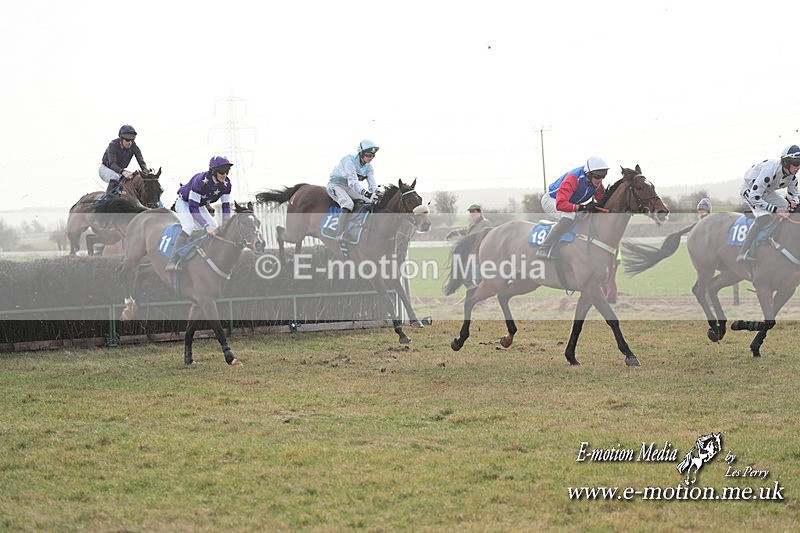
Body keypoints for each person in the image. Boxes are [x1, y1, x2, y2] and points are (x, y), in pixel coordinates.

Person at [166, 156, 233, 272]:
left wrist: (227, 224)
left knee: (216, 227)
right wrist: (206, 226)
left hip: (200, 205)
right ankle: (173, 260)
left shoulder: (226, 184)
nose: (225, 175)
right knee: (188, 227)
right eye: (222, 171)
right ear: (213, 171)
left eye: (227, 171)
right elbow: (192, 207)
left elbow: (226, 206)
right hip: (185, 203)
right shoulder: (200, 180)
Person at [736, 145, 800, 263]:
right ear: (786, 162)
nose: (798, 167)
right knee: (765, 216)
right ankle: (743, 252)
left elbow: (795, 194)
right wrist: (775, 210)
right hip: (750, 190)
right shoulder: (769, 170)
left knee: (788, 209)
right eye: (796, 163)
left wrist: (794, 202)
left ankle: (776, 238)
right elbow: (754, 197)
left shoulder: (792, 177)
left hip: (767, 192)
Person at [536, 156, 609, 259]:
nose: (600, 180)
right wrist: (583, 207)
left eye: (603, 176)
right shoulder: (573, 178)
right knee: (569, 215)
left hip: (567, 202)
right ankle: (544, 248)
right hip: (552, 200)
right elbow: (560, 204)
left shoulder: (596, 183)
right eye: (598, 176)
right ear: (589, 174)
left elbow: (602, 199)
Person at [326, 139, 379, 240]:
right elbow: (353, 183)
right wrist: (367, 194)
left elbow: (372, 184)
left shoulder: (369, 167)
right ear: (361, 153)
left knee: (371, 202)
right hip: (335, 185)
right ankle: (339, 234)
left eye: (373, 155)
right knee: (348, 204)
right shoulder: (349, 161)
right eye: (368, 155)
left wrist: (374, 194)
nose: (371, 158)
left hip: (349, 188)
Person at [446, 204, 493, 289]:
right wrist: (455, 232)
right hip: (471, 254)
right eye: (470, 212)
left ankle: (481, 298)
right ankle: (474, 292)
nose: (472, 213)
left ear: (480, 212)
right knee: (466, 277)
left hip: (480, 255)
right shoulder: (474, 223)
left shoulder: (485, 223)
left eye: (474, 211)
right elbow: (466, 231)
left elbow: (485, 236)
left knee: (479, 278)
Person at [99, 124, 148, 194]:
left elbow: (142, 162)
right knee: (114, 177)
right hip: (106, 169)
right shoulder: (113, 145)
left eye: (132, 140)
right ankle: (108, 199)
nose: (130, 143)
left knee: (137, 179)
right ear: (121, 139)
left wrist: (146, 173)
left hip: (120, 172)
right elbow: (112, 164)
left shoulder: (134, 147)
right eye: (127, 140)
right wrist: (123, 171)